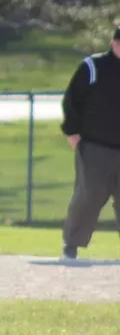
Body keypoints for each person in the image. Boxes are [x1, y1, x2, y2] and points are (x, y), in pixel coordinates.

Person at [60, 25, 120, 262]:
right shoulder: (92, 67)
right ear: (114, 43)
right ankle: (72, 245)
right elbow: (72, 100)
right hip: (96, 146)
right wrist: (72, 131)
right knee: (90, 195)